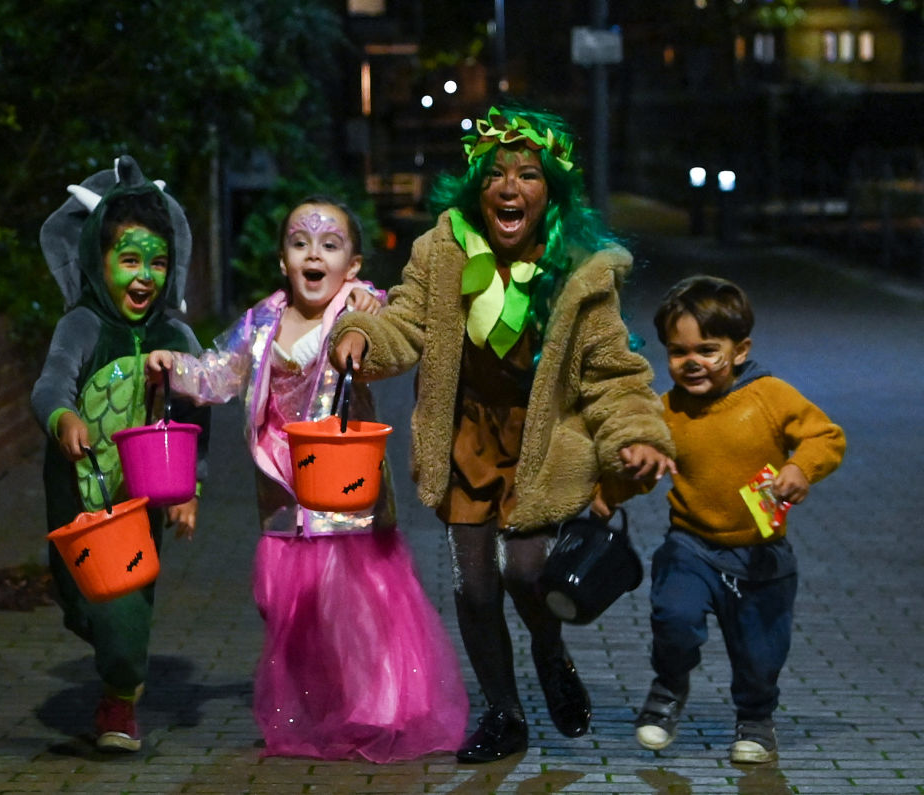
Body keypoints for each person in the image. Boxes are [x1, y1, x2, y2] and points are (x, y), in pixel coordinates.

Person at [331, 104, 675, 763]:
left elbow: (613, 368)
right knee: (473, 584)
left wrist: (639, 433)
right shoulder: (444, 250)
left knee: (527, 571)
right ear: (476, 187)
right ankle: (503, 711)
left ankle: (550, 650)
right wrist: (363, 336)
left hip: (543, 439)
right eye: (495, 175)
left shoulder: (578, 268)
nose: (510, 187)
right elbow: (405, 322)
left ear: (552, 189)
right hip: (469, 435)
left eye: (527, 174)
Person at [146, 196, 468, 762]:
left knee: (360, 604)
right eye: (300, 243)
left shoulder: (358, 310)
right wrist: (175, 366)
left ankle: (378, 705)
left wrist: (371, 315)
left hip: (344, 488)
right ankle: (322, 704)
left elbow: (394, 331)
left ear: (354, 264)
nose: (313, 253)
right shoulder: (263, 321)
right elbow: (221, 375)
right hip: (283, 490)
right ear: (282, 260)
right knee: (289, 606)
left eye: (330, 244)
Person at [31, 156, 211, 752]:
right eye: (129, 260)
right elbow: (51, 383)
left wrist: (188, 490)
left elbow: (194, 417)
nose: (145, 277)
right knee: (81, 604)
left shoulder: (174, 336)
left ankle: (120, 702)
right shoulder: (82, 327)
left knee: (124, 609)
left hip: (138, 506)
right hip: (74, 498)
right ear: (96, 260)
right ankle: (113, 655)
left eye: (157, 262)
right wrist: (64, 417)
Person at [627, 275, 845, 763]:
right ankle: (668, 690)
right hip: (691, 545)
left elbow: (826, 437)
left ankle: (755, 718)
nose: (693, 363)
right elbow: (643, 472)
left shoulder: (770, 396)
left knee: (760, 652)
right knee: (674, 618)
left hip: (761, 553)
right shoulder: (665, 411)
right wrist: (614, 484)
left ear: (740, 349)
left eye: (708, 349)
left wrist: (799, 467)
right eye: (678, 352)